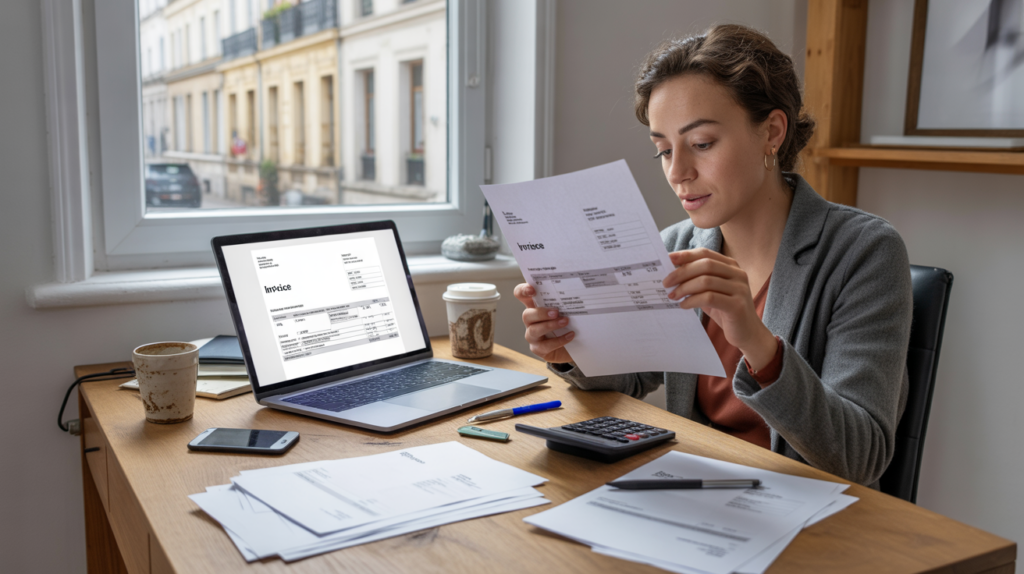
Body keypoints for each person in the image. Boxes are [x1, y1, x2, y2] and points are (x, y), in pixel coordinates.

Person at [513, 24, 913, 487]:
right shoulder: (675, 245)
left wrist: (756, 341)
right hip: (698, 488)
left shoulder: (865, 252)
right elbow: (630, 380)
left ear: (772, 132)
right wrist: (572, 352)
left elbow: (860, 457)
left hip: (813, 514)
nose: (678, 172)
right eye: (663, 150)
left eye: (701, 144)